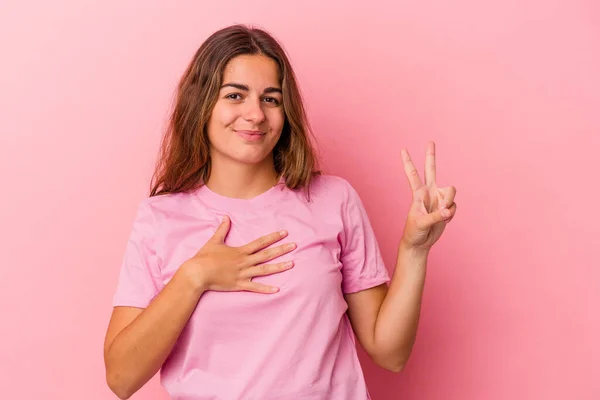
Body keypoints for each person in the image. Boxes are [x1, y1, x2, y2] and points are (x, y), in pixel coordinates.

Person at [103, 24, 457, 400]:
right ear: (201, 104)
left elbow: (390, 353)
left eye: (271, 99)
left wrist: (414, 249)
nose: (255, 114)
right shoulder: (160, 219)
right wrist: (195, 276)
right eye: (235, 95)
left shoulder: (333, 200)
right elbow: (121, 378)